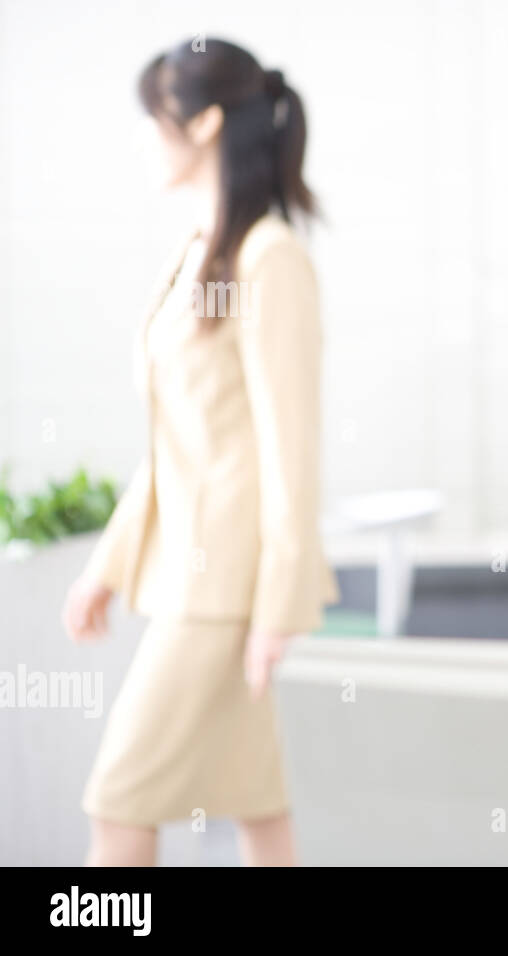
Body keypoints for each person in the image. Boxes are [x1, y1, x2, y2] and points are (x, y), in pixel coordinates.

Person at [61, 37, 338, 866]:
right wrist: (108, 565)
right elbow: (178, 442)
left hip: (222, 593)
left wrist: (280, 609)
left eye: (155, 119)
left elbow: (292, 448)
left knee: (118, 800)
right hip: (197, 581)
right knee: (262, 810)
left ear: (207, 122)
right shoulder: (192, 257)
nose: (144, 138)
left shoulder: (269, 259)